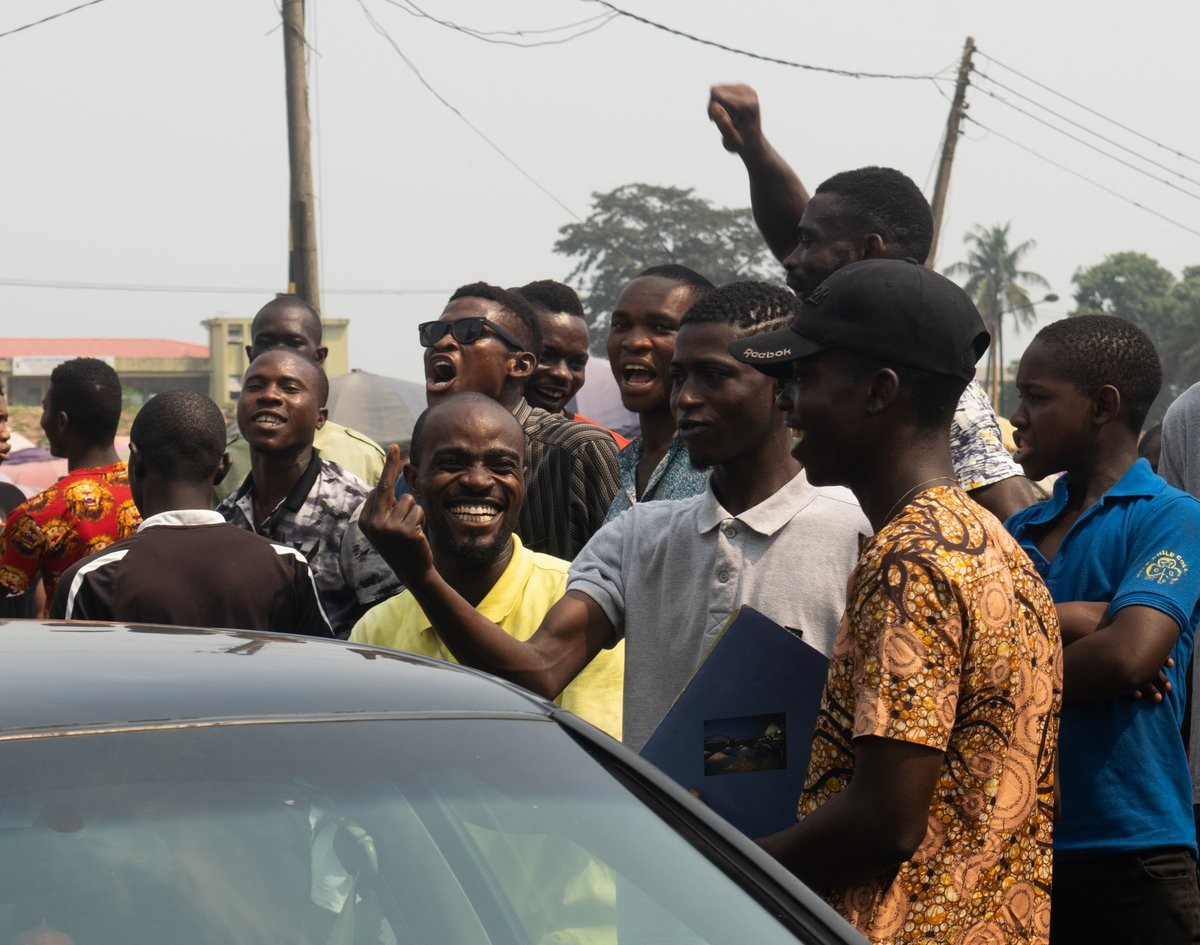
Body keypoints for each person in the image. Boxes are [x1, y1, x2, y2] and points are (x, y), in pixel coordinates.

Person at [363, 281, 868, 750]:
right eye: (680, 378)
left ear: (784, 388)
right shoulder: (636, 535)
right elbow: (538, 672)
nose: (686, 398)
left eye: (714, 377)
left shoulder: (860, 534)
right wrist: (420, 575)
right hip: (671, 844)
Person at [733, 259, 1060, 944]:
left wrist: (724, 864)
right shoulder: (993, 545)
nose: (786, 400)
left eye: (806, 377)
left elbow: (886, 820)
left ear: (879, 391)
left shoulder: (909, 558)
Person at [708, 83, 1037, 522]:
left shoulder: (926, 377)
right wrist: (753, 149)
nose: (791, 257)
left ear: (867, 250)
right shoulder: (841, 337)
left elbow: (1010, 512)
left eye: (808, 243)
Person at [1006, 315, 1200, 945]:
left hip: (1133, 847)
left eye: (1037, 397)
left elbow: (1130, 658)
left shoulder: (1172, 516)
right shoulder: (1014, 533)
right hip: (1009, 848)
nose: (1018, 414)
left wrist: (994, 673)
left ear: (1103, 406)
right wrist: (1086, 618)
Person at [350, 392, 623, 738]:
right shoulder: (374, 632)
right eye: (452, 463)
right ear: (415, 480)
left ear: (523, 480)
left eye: (501, 466)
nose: (478, 481)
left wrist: (419, 577)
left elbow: (596, 755)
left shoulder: (580, 601)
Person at [51, 390, 333, 636]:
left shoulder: (92, 579)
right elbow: (320, 676)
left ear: (135, 461)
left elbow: (68, 688)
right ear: (224, 467)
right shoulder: (286, 566)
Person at [421, 282, 619, 560]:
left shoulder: (576, 450)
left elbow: (627, 572)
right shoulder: (424, 456)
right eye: (434, 333)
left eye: (470, 331)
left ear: (520, 365)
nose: (442, 342)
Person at [217, 349, 400, 636]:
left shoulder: (354, 509)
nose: (269, 396)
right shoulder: (227, 514)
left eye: (290, 388)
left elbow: (389, 623)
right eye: (255, 387)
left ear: (320, 417)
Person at [0, 358, 140, 613]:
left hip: (69, 648)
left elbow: (8, 597)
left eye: (45, 409)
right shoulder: (151, 494)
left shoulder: (38, 513)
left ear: (62, 422)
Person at [216, 295, 386, 501]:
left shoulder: (362, 456)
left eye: (293, 343)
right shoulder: (224, 458)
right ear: (251, 354)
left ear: (320, 356)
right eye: (266, 343)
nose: (280, 352)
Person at [603, 265, 714, 522]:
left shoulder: (722, 466)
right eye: (621, 325)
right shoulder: (625, 463)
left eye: (661, 327)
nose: (633, 342)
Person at [514, 279, 629, 448]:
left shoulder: (605, 448)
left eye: (576, 364)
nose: (562, 374)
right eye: (545, 357)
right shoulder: (466, 431)